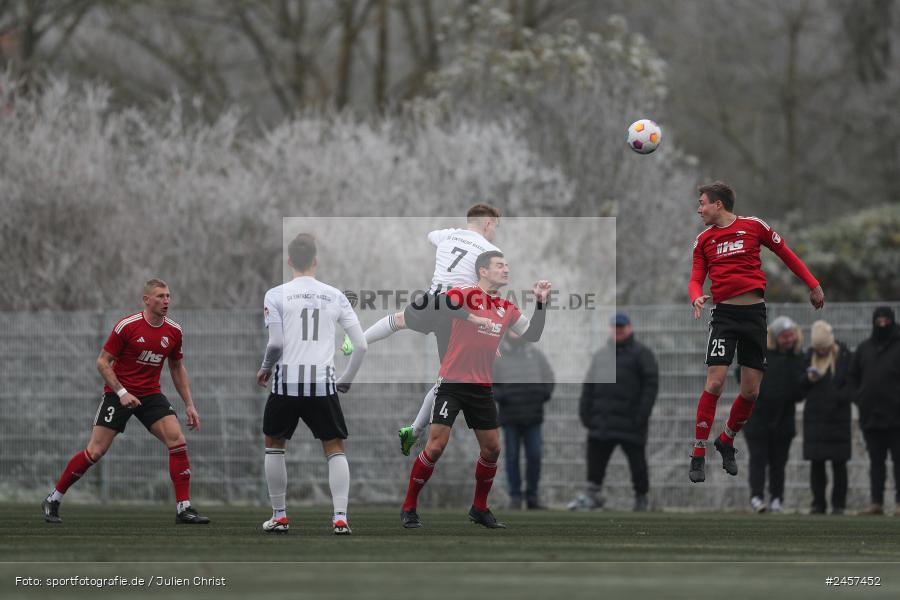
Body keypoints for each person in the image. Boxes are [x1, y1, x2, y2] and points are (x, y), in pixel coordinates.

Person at [399, 251, 550, 529]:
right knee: (435, 447)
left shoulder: (506, 307)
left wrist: (541, 303)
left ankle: (479, 508)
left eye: (507, 264)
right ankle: (409, 507)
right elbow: (443, 303)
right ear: (483, 270)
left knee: (492, 449)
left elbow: (533, 335)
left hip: (481, 387)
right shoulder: (464, 294)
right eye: (499, 265)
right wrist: (472, 318)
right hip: (452, 383)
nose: (506, 269)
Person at [688, 181, 824, 483]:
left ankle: (726, 440)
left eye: (702, 203)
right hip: (724, 316)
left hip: (754, 316)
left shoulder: (754, 227)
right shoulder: (703, 241)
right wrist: (695, 295)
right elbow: (696, 278)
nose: (699, 209)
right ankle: (698, 452)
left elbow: (786, 253)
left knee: (751, 391)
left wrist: (813, 284)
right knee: (715, 384)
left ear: (718, 204)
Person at [42, 279, 209, 524]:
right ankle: (54, 498)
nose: (166, 301)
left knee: (177, 439)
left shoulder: (174, 331)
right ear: (147, 300)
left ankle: (184, 508)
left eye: (168, 296)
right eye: (161, 296)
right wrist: (121, 392)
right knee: (96, 451)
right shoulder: (127, 326)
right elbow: (102, 362)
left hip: (151, 394)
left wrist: (190, 404)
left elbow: (176, 366)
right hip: (117, 394)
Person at [363, 204, 502, 456]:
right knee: (446, 379)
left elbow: (431, 235)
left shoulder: (448, 235)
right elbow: (488, 298)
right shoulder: (492, 251)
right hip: (457, 313)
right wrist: (493, 338)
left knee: (397, 321)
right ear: (488, 224)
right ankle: (414, 431)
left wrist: (448, 237)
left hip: (432, 299)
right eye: (495, 227)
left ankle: (357, 341)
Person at [255, 233, 368, 535]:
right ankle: (341, 517)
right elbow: (360, 346)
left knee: (275, 446)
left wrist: (265, 368)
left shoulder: (275, 295)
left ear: (289, 260)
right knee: (334, 448)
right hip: (322, 384)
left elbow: (276, 343)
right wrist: (345, 380)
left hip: (286, 385)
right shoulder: (335, 295)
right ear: (316, 260)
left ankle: (279, 516)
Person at [570, 312, 658, 512]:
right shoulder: (601, 355)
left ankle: (641, 498)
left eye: (622, 327)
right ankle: (592, 496)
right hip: (602, 421)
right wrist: (585, 413)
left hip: (631, 422)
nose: (618, 331)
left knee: (637, 463)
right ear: (610, 329)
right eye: (615, 327)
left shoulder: (643, 354)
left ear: (629, 328)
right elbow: (589, 386)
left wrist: (641, 415)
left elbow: (651, 386)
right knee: (595, 464)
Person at [740, 316, 805, 513]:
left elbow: (799, 392)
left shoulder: (798, 359)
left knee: (779, 462)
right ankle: (757, 497)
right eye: (784, 336)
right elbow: (743, 377)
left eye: (791, 335)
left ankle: (777, 498)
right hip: (757, 419)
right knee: (758, 460)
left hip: (783, 420)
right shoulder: (761, 354)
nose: (789, 340)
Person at [493, 331, 555, 510]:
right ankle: (515, 497)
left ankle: (532, 497)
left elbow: (549, 377)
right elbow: (490, 382)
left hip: (533, 415)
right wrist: (503, 395)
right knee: (512, 458)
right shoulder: (498, 356)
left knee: (534, 456)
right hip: (510, 416)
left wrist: (543, 394)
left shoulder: (535, 354)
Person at [848, 306, 900, 515]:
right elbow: (852, 377)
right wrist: (858, 397)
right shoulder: (864, 348)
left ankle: (898, 503)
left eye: (886, 319)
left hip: (897, 417)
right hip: (871, 416)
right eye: (878, 319)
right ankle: (876, 502)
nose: (882, 323)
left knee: (899, 461)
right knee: (876, 462)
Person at [802, 320, 853, 515]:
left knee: (839, 464)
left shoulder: (845, 357)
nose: (821, 351)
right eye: (818, 348)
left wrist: (837, 396)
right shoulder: (808, 358)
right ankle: (818, 503)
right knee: (817, 464)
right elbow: (799, 388)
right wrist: (807, 379)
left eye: (824, 347)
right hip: (815, 419)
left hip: (838, 419)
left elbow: (852, 385)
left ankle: (839, 505)